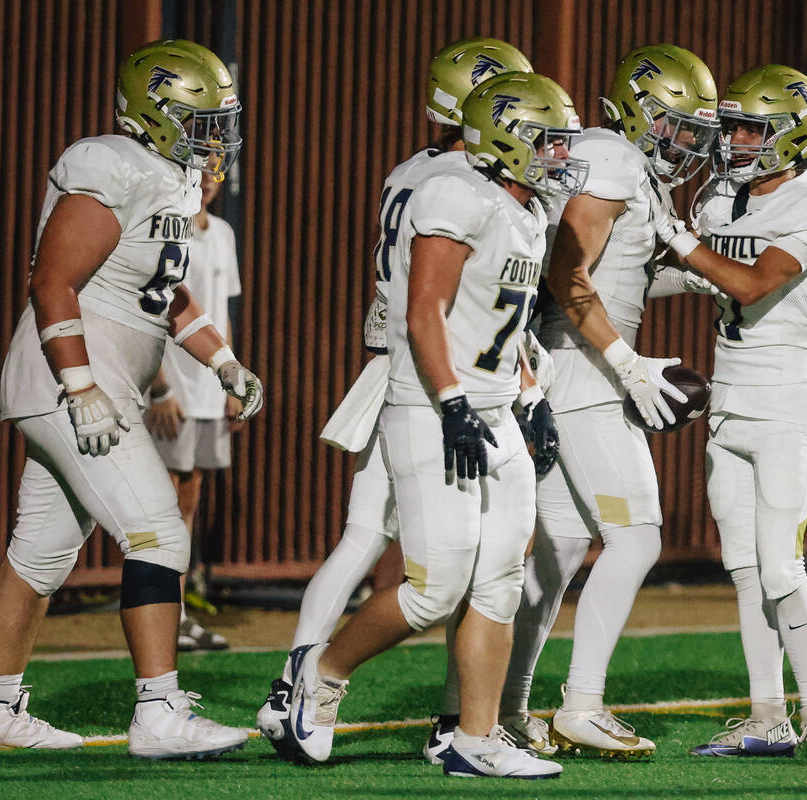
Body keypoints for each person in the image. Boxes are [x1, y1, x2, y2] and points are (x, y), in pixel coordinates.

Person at [257, 71, 586, 779]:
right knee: (435, 586)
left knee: (499, 579)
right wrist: (452, 400)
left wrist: (533, 398)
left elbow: (505, 324)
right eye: (549, 142)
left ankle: (476, 736)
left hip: (494, 405)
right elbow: (424, 308)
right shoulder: (453, 193)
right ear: (504, 136)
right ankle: (319, 677)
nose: (561, 157)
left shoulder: (524, 210)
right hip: (432, 407)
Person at [0, 40, 264, 760]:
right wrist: (81, 385)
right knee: (158, 530)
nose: (215, 135)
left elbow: (162, 292)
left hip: (96, 379)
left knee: (39, 557)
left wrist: (223, 360)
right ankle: (158, 711)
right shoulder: (110, 162)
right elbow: (51, 281)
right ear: (154, 111)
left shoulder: (172, 180)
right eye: (201, 118)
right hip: (72, 378)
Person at [496, 44, 718, 758]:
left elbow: (611, 280)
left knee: (559, 548)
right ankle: (581, 704)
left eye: (694, 130)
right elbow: (566, 272)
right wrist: (628, 364)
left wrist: (689, 282)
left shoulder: (630, 171)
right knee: (639, 535)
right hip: (583, 373)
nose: (686, 142)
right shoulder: (612, 158)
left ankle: (507, 707)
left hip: (570, 368)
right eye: (676, 124)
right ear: (636, 108)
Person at [662, 64, 807, 766]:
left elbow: (746, 281)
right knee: (743, 566)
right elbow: (691, 274)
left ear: (792, 135)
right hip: (732, 397)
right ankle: (766, 717)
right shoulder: (720, 200)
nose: (737, 140)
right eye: (734, 126)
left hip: (789, 400)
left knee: (779, 566)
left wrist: (676, 238)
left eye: (753, 128)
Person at [144, 169, 243, 652]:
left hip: (208, 391)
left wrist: (232, 382)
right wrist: (158, 389)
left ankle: (178, 618)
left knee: (188, 506)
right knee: (160, 510)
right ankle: (160, 619)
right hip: (172, 393)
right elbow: (152, 312)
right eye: (199, 169)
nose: (207, 180)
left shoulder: (222, 234)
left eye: (216, 171)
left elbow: (220, 315)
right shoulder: (164, 229)